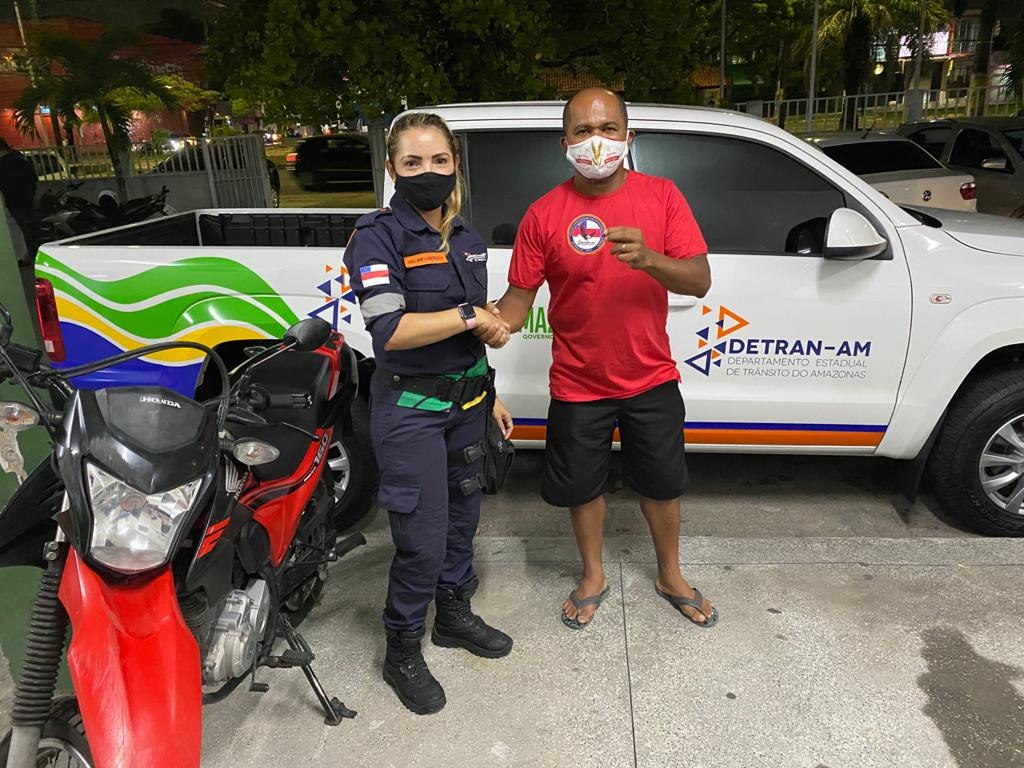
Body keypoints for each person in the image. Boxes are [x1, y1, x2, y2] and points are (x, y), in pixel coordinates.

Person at [494, 88, 717, 630]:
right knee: (582, 487)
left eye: (609, 129)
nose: (596, 141)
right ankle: (592, 575)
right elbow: (517, 303)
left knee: (662, 484)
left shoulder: (662, 196)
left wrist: (649, 259)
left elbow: (700, 280)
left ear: (628, 137)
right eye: (582, 131)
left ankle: (670, 573)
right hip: (577, 382)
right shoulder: (544, 214)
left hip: (651, 376)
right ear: (564, 142)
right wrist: (475, 321)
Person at [343, 112, 514, 715]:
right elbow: (391, 332)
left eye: (439, 160)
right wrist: (473, 316)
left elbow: (468, 335)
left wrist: (490, 395)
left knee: (463, 518)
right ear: (391, 168)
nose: (428, 172)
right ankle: (402, 649)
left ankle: (454, 616)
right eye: (412, 163)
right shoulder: (377, 236)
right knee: (421, 537)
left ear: (455, 165)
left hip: (466, 405)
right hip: (411, 411)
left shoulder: (465, 236)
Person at [0, 139, 37, 262]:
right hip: (26, 199)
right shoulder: (19, 158)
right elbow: (33, 177)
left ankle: (30, 257)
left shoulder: (4, 164)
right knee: (28, 230)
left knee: (24, 230)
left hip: (15, 201)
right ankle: (30, 255)